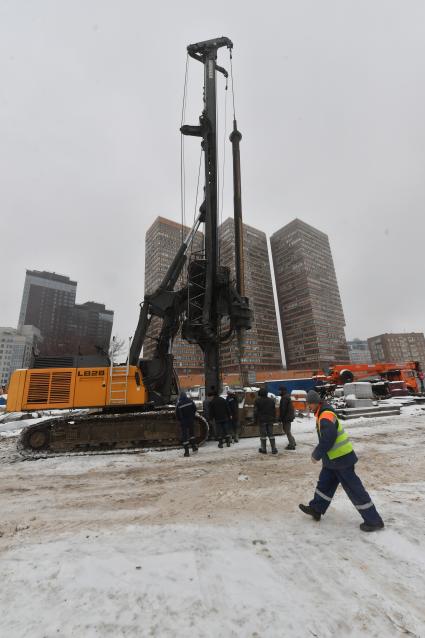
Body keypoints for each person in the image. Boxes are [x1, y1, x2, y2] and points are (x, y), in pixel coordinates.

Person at [299, 390, 384, 532]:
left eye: (309, 404)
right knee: (324, 484)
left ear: (314, 403)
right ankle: (316, 509)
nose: (308, 407)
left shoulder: (324, 416)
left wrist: (317, 454)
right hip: (332, 460)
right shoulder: (323, 412)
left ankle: (374, 521)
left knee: (354, 489)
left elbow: (328, 439)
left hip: (341, 460)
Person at [254, 388, 278, 454]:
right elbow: (274, 411)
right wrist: (274, 419)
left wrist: (255, 420)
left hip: (262, 420)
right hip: (270, 420)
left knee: (263, 435)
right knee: (271, 434)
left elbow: (255, 411)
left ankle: (263, 449)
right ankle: (274, 449)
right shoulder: (271, 400)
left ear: (260, 394)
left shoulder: (257, 401)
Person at [175, 391, 198, 457]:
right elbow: (194, 409)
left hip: (183, 422)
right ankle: (194, 447)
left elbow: (177, 414)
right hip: (190, 420)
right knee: (192, 434)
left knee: (185, 436)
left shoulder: (179, 404)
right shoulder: (190, 400)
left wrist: (180, 420)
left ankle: (187, 452)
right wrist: (192, 416)